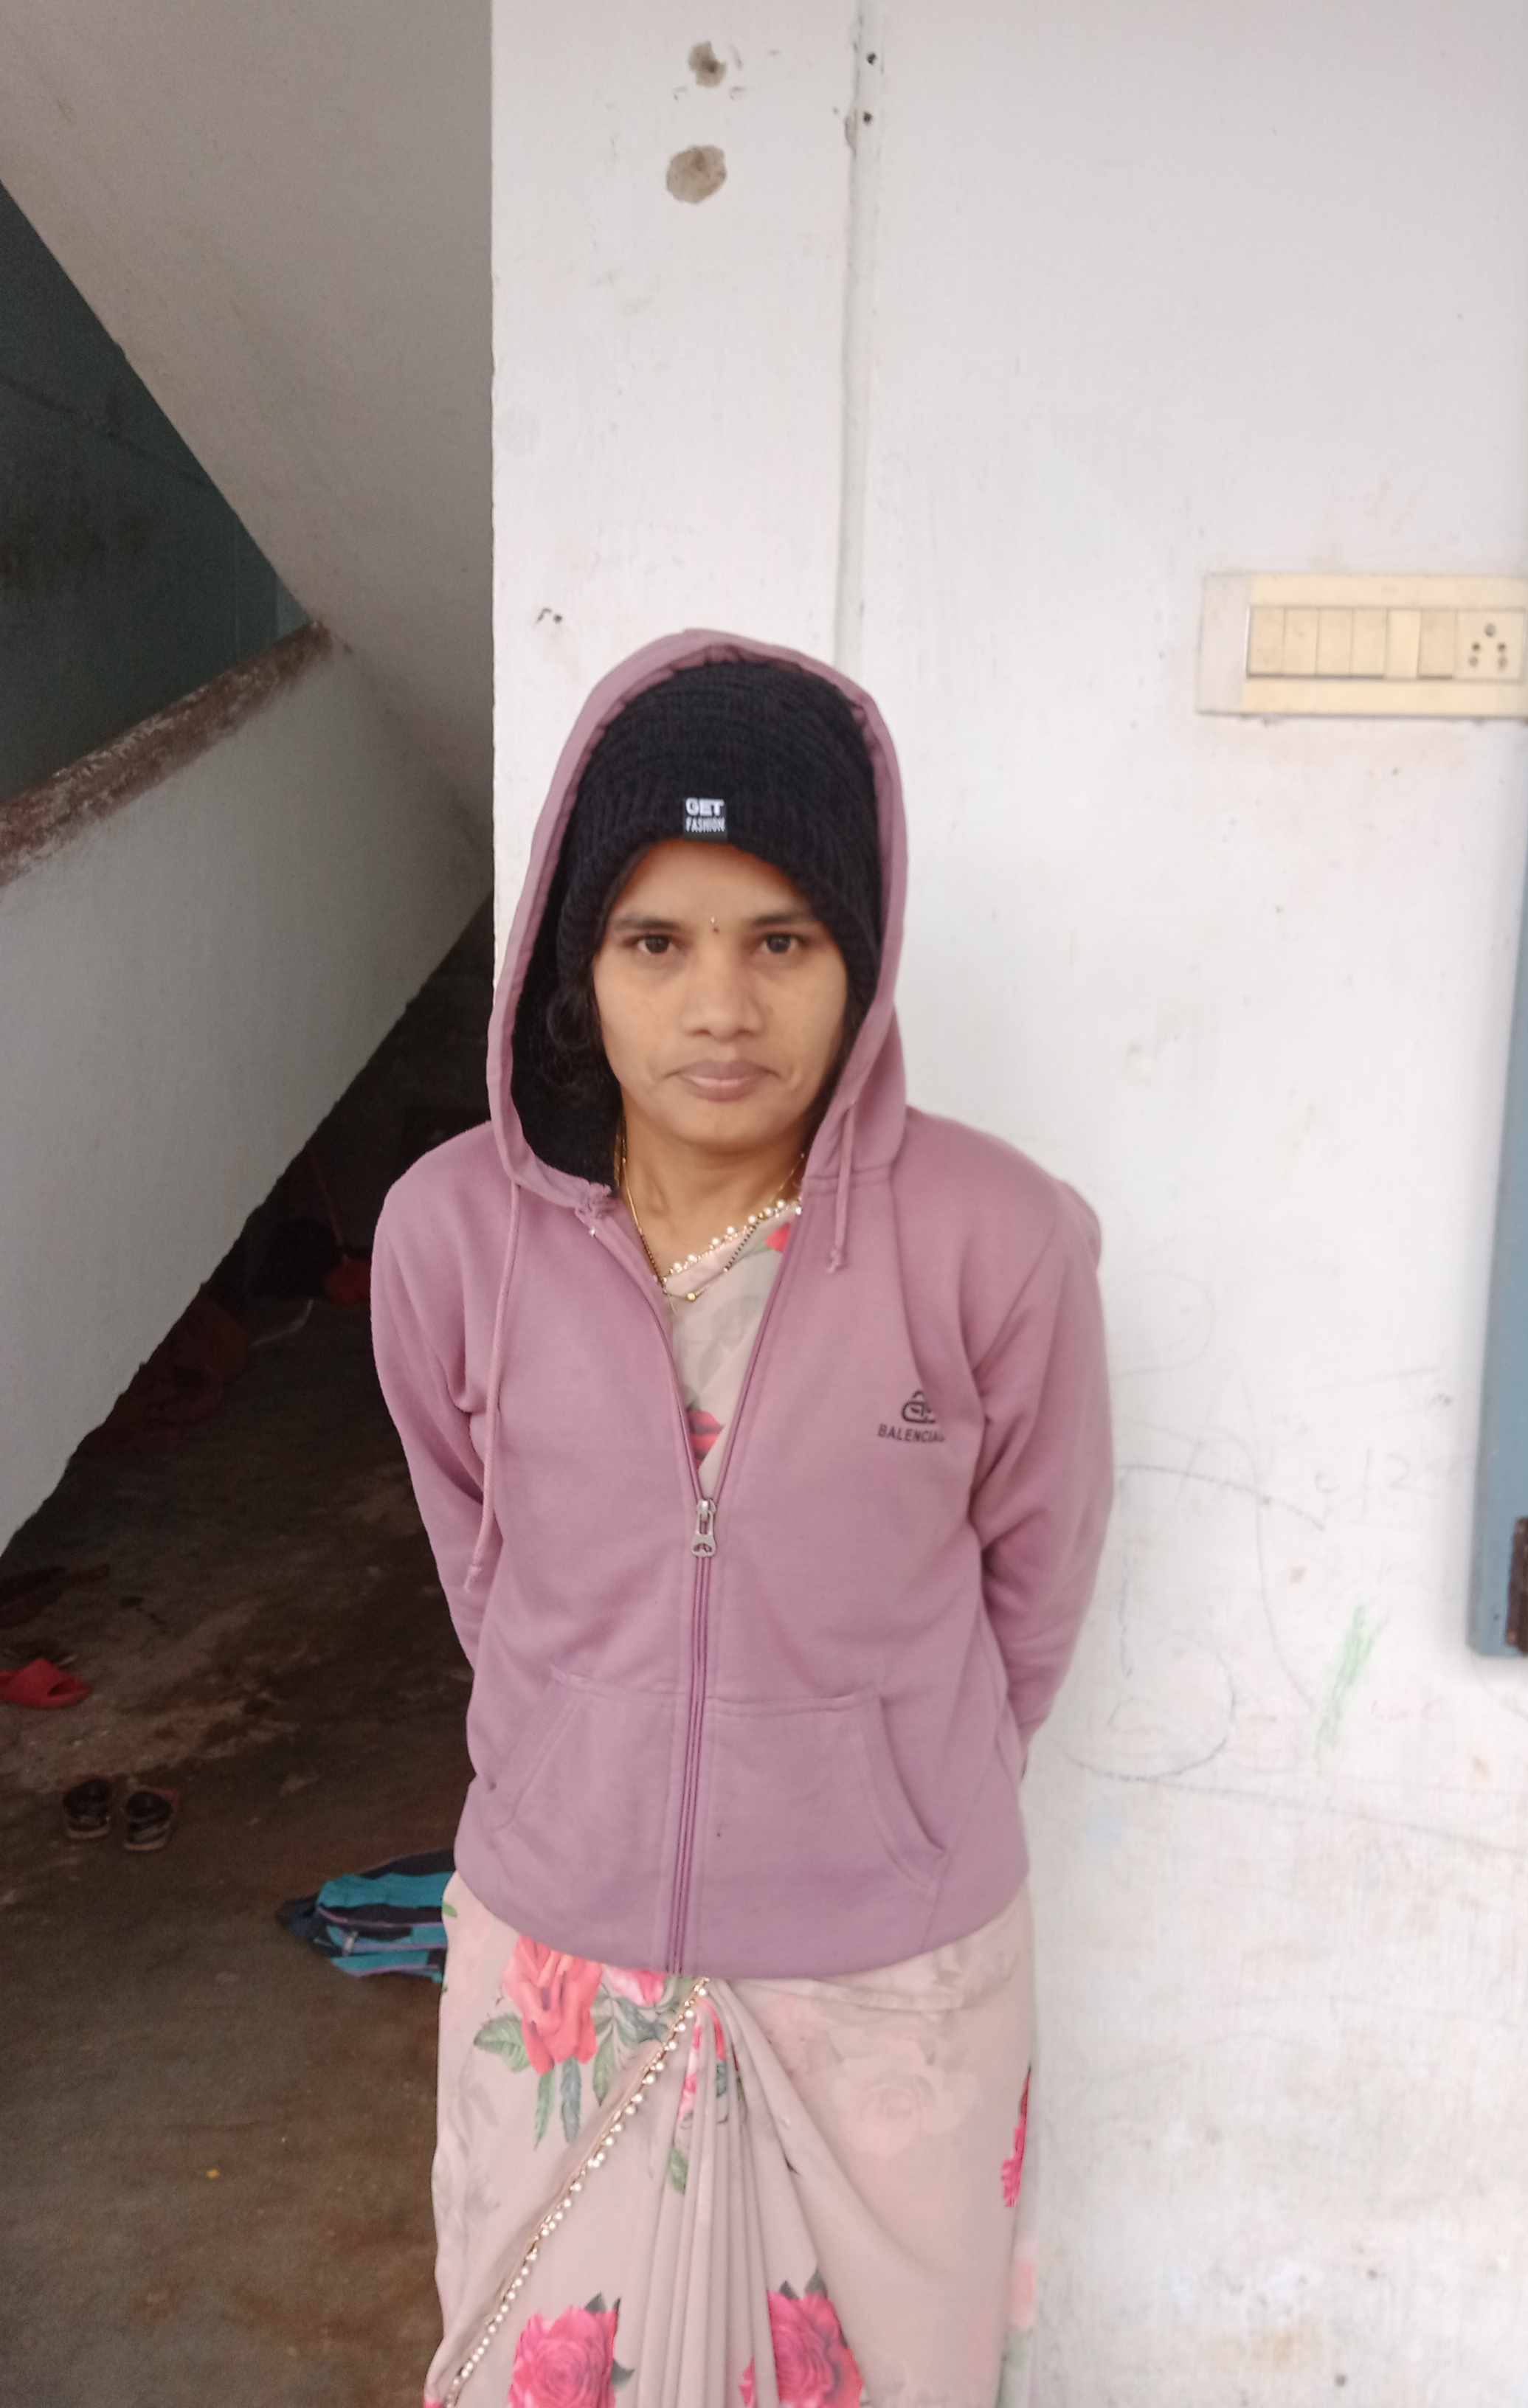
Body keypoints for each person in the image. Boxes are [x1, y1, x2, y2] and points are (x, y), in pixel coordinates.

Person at [370, 629, 1114, 2408]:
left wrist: (872, 1786)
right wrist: (592, 1745)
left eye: (781, 941)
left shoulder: (1000, 1242)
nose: (721, 1007)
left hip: (889, 1987)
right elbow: (483, 1559)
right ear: (577, 967)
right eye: (658, 943)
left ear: (861, 956)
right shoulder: (450, 1236)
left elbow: (1036, 1580)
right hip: (562, 1959)